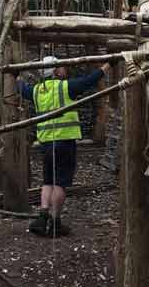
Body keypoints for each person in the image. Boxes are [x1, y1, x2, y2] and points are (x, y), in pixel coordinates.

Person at [18, 56, 111, 237]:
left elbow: (22, 89)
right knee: (60, 183)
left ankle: (42, 216)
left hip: (45, 143)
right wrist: (108, 65)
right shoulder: (65, 87)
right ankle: (55, 222)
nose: (65, 69)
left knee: (47, 180)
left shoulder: (36, 91)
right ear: (55, 71)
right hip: (64, 142)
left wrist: (15, 77)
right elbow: (89, 80)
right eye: (61, 67)